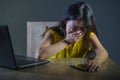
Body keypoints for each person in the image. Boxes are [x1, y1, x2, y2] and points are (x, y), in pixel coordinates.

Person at [35, 2, 108, 72]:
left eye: (82, 29)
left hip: (75, 74)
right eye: (73, 27)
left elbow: (103, 51)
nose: (77, 32)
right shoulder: (52, 34)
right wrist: (66, 41)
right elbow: (39, 56)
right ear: (65, 22)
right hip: (51, 72)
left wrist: (97, 60)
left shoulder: (88, 36)